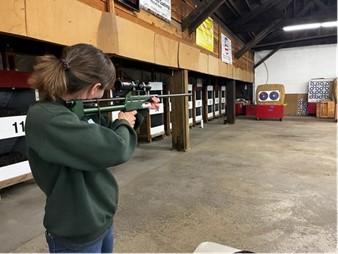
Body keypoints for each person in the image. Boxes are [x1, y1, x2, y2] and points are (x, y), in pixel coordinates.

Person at [25, 43, 159, 253]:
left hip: (101, 220)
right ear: (95, 87)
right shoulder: (47, 118)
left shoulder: (78, 109)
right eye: (103, 90)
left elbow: (108, 133)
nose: (102, 95)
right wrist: (124, 120)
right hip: (75, 231)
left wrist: (137, 110)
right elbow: (116, 147)